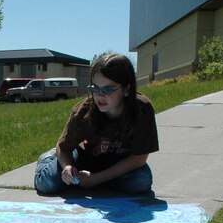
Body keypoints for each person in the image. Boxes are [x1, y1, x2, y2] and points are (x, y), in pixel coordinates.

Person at [34, 53, 159, 195]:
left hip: (119, 162)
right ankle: (48, 159)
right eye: (95, 88)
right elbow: (63, 147)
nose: (100, 95)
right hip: (83, 158)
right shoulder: (84, 111)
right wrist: (67, 167)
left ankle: (100, 180)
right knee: (47, 183)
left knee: (140, 182)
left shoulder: (141, 109)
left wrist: (96, 179)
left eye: (108, 89)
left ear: (126, 89)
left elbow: (138, 159)